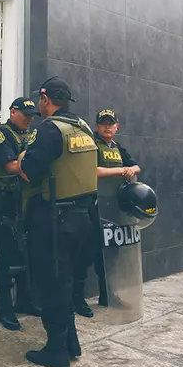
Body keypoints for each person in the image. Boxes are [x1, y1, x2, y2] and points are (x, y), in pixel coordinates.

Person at [18, 77, 98, 367]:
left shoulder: (49, 130)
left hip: (55, 221)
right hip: (84, 218)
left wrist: (24, 156)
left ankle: (56, 352)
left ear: (45, 100)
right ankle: (71, 343)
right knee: (66, 284)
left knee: (51, 285)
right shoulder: (84, 129)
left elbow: (29, 172)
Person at [72, 109, 141, 316]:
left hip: (113, 209)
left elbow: (136, 166)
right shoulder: (92, 145)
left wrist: (131, 170)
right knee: (86, 255)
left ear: (117, 127)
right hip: (93, 208)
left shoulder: (118, 148)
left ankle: (107, 295)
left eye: (111, 123)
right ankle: (77, 300)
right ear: (96, 126)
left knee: (110, 257)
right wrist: (122, 171)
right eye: (103, 123)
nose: (107, 127)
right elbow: (92, 170)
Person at [0, 97, 42, 330]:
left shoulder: (32, 135)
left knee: (26, 254)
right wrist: (32, 165)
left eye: (32, 115)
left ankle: (24, 300)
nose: (29, 119)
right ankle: (5, 308)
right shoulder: (2, 134)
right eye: (25, 114)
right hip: (6, 202)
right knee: (6, 256)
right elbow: (11, 166)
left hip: (28, 201)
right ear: (12, 112)